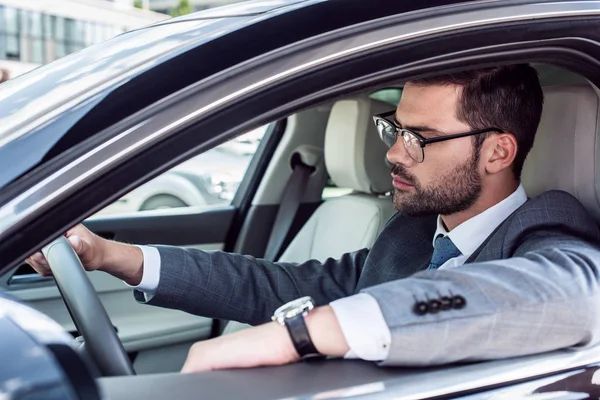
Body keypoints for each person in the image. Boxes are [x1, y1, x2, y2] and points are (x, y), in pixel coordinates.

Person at [27, 64, 600, 373]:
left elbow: (576, 296)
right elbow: (281, 285)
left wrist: (302, 335)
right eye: (395, 129)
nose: (396, 153)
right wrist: (110, 256)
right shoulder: (411, 232)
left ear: (498, 152)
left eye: (421, 138)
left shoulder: (548, 230)